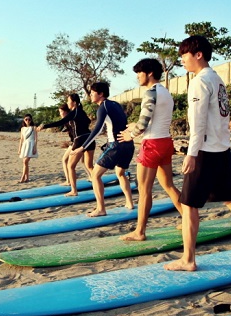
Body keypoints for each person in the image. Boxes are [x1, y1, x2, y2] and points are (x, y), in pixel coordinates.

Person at [166, 36, 231, 272]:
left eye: (184, 56)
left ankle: (188, 260)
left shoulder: (200, 82)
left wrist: (191, 153)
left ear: (198, 54)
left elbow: (198, 122)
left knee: (189, 205)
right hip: (222, 149)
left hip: (204, 151)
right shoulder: (217, 79)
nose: (182, 61)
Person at [117, 58, 182, 241]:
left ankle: (140, 232)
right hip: (165, 142)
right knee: (169, 185)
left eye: (139, 72)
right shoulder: (165, 92)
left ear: (150, 73)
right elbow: (155, 118)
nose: (137, 77)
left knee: (144, 190)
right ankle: (188, 218)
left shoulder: (150, 92)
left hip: (152, 144)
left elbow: (145, 123)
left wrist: (131, 134)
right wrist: (133, 125)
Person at [72, 81, 134, 217]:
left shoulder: (103, 107)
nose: (90, 96)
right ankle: (130, 203)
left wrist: (83, 147)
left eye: (93, 93)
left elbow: (97, 129)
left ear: (101, 94)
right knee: (120, 173)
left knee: (95, 175)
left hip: (116, 146)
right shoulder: (116, 104)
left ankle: (101, 208)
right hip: (128, 145)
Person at [38, 93, 95, 195]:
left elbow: (60, 122)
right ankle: (98, 185)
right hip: (90, 139)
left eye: (68, 101)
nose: (67, 103)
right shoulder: (81, 111)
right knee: (89, 166)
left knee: (71, 166)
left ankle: (74, 190)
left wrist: (45, 126)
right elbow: (88, 121)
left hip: (80, 140)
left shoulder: (75, 112)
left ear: (74, 102)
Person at [18, 114, 38, 183]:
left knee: (25, 161)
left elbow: (36, 139)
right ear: (24, 120)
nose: (27, 121)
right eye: (26, 119)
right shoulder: (22, 128)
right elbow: (21, 139)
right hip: (25, 145)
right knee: (25, 163)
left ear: (31, 120)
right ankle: (27, 178)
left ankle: (22, 177)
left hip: (31, 144)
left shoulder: (34, 128)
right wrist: (19, 149)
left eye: (29, 119)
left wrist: (35, 148)